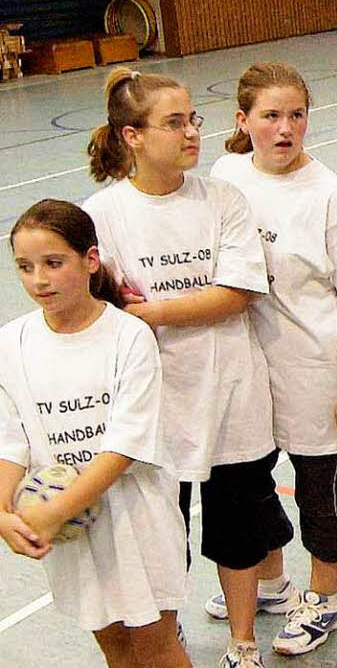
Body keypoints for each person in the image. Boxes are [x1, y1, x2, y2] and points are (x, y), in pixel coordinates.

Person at [83, 68, 289, 668]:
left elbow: (237, 292)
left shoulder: (224, 198)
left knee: (238, 527)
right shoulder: (103, 214)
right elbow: (102, 314)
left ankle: (243, 642)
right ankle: (167, 648)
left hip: (230, 391)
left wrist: (151, 311)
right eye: (174, 122)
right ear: (133, 136)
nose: (192, 132)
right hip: (152, 407)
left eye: (194, 118)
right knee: (160, 535)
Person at [208, 63, 337, 655]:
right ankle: (271, 582)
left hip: (317, 370)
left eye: (297, 115)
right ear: (243, 121)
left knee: (320, 492)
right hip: (250, 369)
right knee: (252, 482)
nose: (286, 129)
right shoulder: (227, 176)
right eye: (271, 116)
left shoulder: (332, 197)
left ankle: (327, 600)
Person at [0, 199, 189, 668]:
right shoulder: (11, 343)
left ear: (89, 261)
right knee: (115, 646)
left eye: (53, 263)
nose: (39, 279)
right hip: (71, 533)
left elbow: (124, 445)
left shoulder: (128, 337)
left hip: (136, 520)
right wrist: (5, 514)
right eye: (25, 267)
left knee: (157, 645)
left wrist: (55, 510)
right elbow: (11, 440)